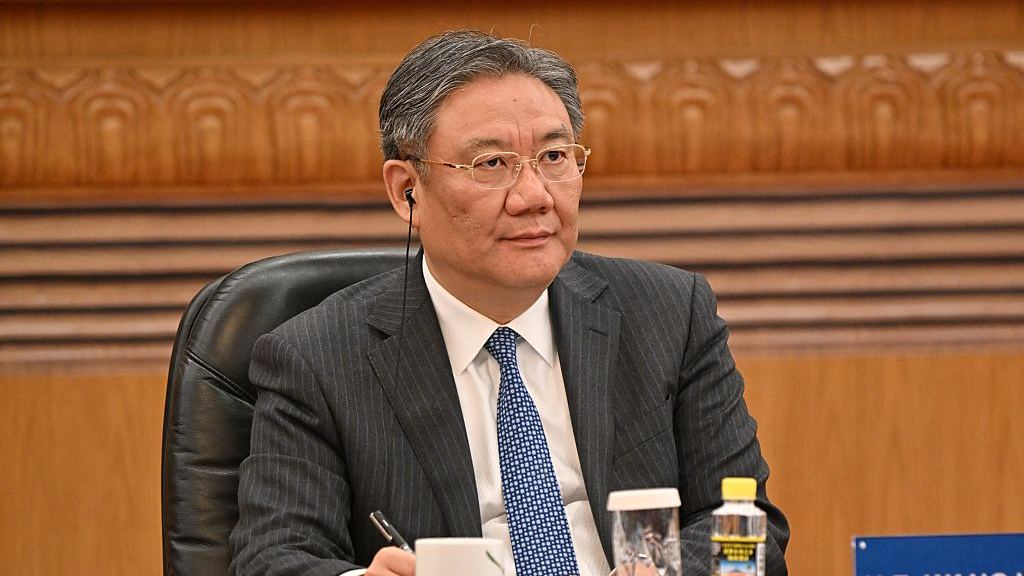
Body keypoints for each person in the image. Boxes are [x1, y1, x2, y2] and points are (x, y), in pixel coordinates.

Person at [229, 29, 789, 576]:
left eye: (554, 156)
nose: (534, 196)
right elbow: (274, 557)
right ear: (407, 190)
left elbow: (749, 529)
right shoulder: (316, 359)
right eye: (491, 164)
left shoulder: (669, 314)